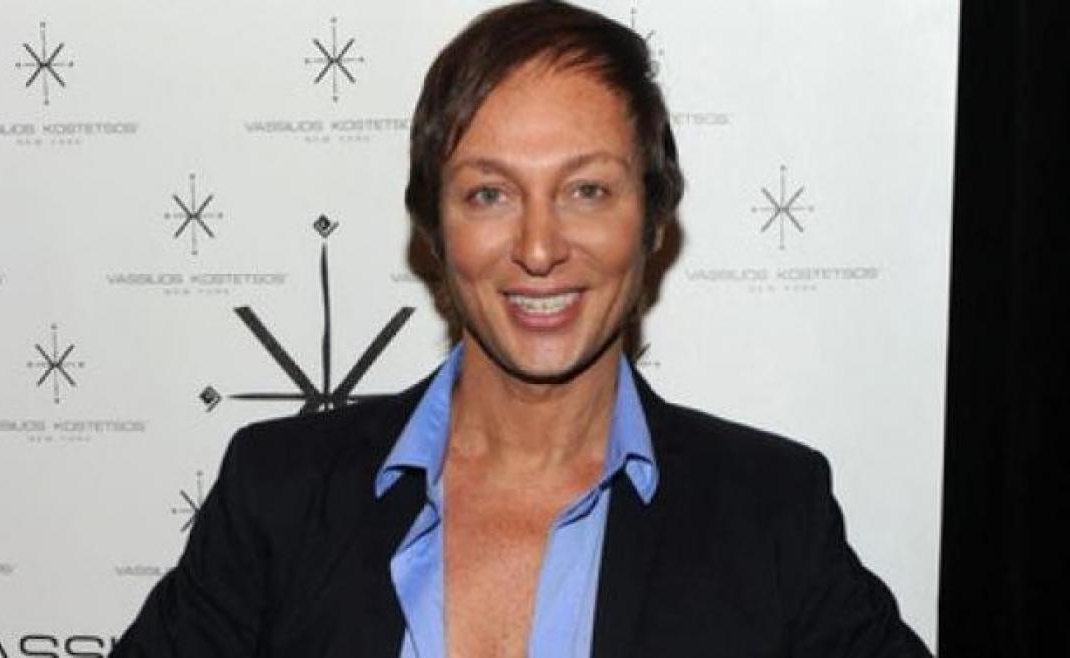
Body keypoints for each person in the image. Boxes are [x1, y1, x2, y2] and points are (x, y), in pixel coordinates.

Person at [113, 1, 932, 656]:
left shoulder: (770, 513)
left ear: (653, 222)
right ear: (434, 231)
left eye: (587, 190)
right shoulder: (279, 494)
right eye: (489, 194)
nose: (539, 248)